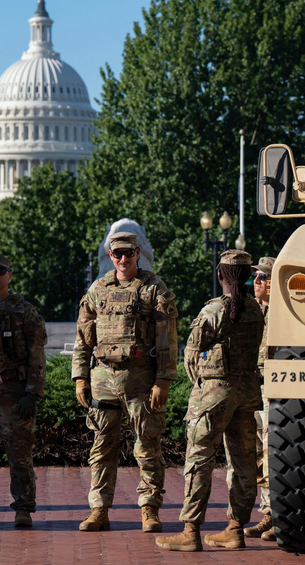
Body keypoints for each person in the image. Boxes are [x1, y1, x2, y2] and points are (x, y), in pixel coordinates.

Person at [156, 249, 264, 552]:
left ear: (220, 276)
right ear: (246, 278)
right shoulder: (256, 310)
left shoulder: (212, 311)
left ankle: (190, 531)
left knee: (199, 459)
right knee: (243, 461)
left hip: (215, 394)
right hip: (247, 392)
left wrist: (205, 383)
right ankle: (235, 529)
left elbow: (190, 359)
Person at [72, 232, 178, 533]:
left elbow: (167, 339)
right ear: (110, 254)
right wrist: (80, 377)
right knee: (101, 447)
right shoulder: (98, 289)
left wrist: (163, 380)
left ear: (138, 253)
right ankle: (99, 509)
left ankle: (149, 509)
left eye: (128, 253)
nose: (122, 259)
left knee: (147, 447)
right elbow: (83, 339)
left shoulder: (153, 288)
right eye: (117, 253)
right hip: (103, 378)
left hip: (141, 379)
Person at [0, 253, 46, 528]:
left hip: (13, 392)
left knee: (19, 454)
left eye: (0, 271)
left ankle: (23, 509)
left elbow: (37, 356)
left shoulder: (24, 310)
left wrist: (32, 393)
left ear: (9, 275)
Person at [244, 256, 276, 541]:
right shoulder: (252, 311)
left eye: (262, 278)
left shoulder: (285, 314)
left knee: (271, 453)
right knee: (255, 453)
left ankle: (277, 515)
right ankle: (268, 512)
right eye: (254, 278)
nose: (256, 282)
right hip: (252, 388)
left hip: (274, 391)